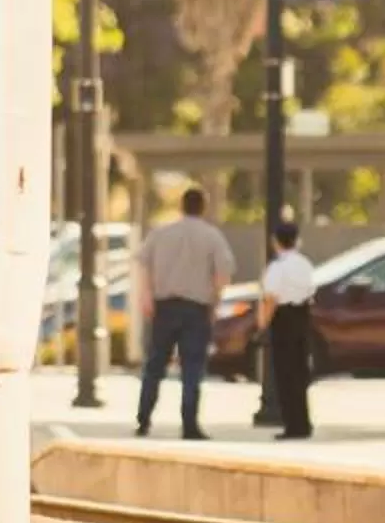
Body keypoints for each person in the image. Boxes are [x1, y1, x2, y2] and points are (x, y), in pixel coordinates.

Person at [132, 186, 235, 440]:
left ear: (181, 206)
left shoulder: (161, 233)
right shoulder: (212, 237)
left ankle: (143, 419)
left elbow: (143, 264)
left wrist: (146, 297)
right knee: (192, 368)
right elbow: (223, 273)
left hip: (164, 307)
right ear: (203, 207)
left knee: (155, 365)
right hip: (195, 309)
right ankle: (189, 424)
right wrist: (215, 302)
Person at [258, 216, 318, 440]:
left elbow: (271, 297)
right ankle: (303, 422)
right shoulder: (304, 264)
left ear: (276, 241)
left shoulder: (277, 267)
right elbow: (311, 291)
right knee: (300, 372)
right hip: (302, 317)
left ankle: (292, 424)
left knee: (285, 373)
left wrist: (263, 323)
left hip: (283, 318)